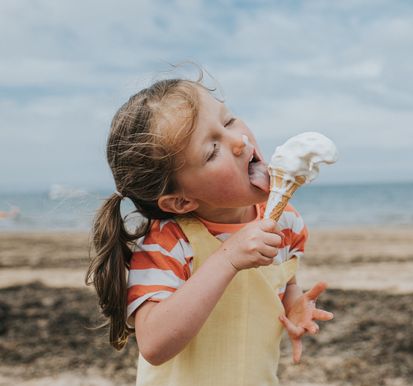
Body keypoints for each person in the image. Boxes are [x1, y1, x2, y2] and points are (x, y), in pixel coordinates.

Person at [86, 78, 334, 386]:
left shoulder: (286, 223)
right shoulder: (168, 241)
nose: (238, 140)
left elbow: (283, 283)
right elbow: (153, 344)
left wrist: (294, 306)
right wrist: (228, 259)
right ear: (181, 200)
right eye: (212, 150)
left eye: (228, 120)